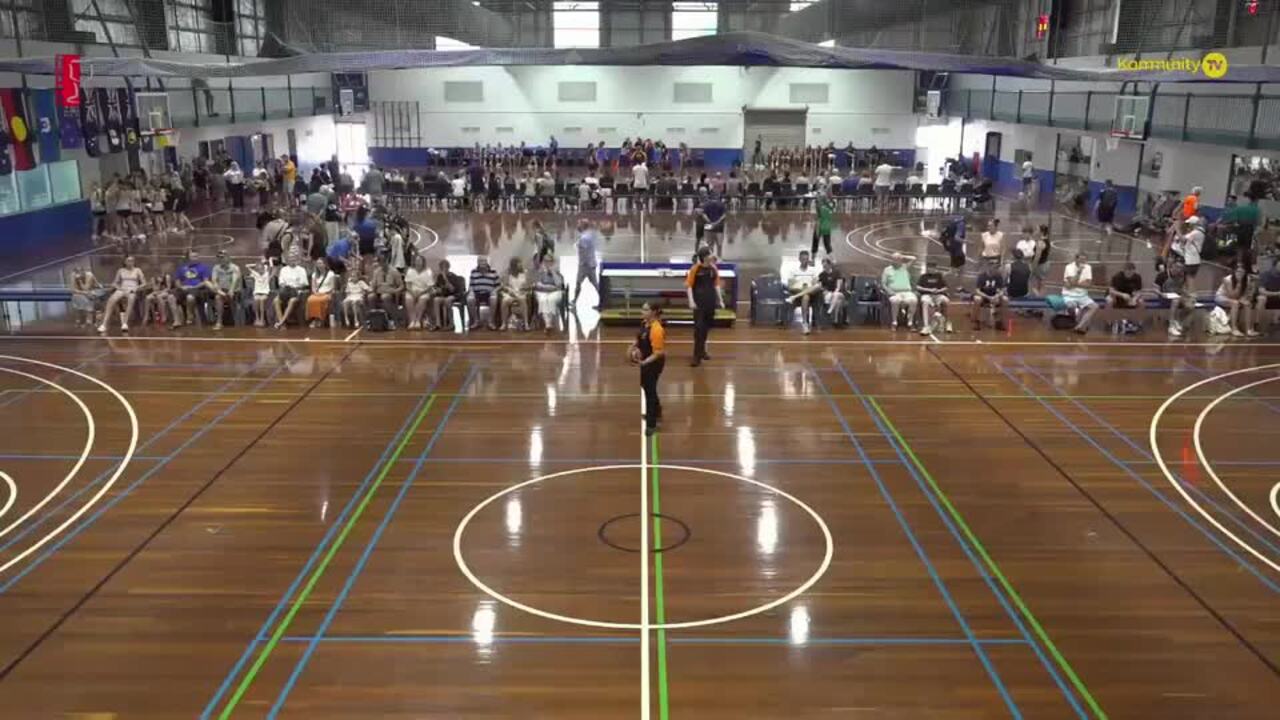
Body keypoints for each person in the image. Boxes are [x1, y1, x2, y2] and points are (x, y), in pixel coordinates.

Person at [629, 301, 667, 437]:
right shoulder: (644, 323)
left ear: (653, 312)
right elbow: (639, 339)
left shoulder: (657, 329)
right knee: (646, 386)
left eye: (645, 310)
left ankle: (651, 424)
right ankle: (657, 411)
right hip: (646, 361)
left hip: (654, 362)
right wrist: (633, 347)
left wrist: (644, 362)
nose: (642, 312)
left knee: (649, 391)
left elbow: (658, 353)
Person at [685, 247, 722, 366]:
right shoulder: (695, 269)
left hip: (710, 303)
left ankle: (702, 351)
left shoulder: (713, 269)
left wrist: (720, 300)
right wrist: (691, 301)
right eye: (710, 254)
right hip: (699, 304)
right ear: (705, 256)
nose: (712, 255)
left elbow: (716, 285)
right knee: (699, 329)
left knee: (706, 329)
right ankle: (696, 356)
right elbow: (689, 286)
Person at [98, 256, 146, 334]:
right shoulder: (121, 270)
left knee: (131, 299)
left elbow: (144, 283)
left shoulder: (138, 270)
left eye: (132, 260)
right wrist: (119, 288)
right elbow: (115, 283)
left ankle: (125, 323)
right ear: (125, 262)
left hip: (132, 289)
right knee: (111, 300)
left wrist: (135, 288)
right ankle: (104, 324)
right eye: (128, 260)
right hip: (122, 289)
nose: (131, 262)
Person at [785, 250, 822, 335]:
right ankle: (805, 323)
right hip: (798, 293)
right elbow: (790, 286)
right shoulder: (793, 271)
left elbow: (815, 284)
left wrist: (809, 288)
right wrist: (801, 290)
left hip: (813, 295)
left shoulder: (813, 270)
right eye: (803, 259)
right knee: (805, 296)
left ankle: (793, 298)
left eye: (806, 259)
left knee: (818, 286)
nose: (805, 261)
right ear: (799, 259)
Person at [1061, 252, 1099, 334]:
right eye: (1081, 259)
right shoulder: (1069, 267)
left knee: (1094, 306)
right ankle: (1074, 319)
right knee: (1071, 306)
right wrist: (1079, 272)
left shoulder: (1088, 267)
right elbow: (1070, 284)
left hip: (1082, 295)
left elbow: (1088, 284)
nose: (1083, 262)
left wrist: (1074, 284)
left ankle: (1079, 326)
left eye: (1084, 260)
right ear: (1076, 259)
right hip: (1069, 294)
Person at [880, 253, 919, 331]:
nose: (897, 260)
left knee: (913, 300)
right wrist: (889, 291)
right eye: (895, 259)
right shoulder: (887, 270)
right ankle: (894, 322)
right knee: (895, 301)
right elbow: (883, 284)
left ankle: (910, 322)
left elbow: (914, 258)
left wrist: (903, 256)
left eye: (898, 259)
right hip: (894, 293)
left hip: (907, 292)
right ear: (892, 260)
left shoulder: (905, 267)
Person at [175, 251, 214, 326]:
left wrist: (194, 287)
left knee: (190, 297)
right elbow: (177, 281)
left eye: (197, 256)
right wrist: (181, 287)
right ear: (188, 258)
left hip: (198, 289)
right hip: (184, 288)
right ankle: (176, 320)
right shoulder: (182, 268)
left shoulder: (203, 267)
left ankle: (190, 315)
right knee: (171, 297)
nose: (196, 258)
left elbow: (205, 282)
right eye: (193, 256)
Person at [1161, 260, 1197, 338]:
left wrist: (1189, 296)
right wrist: (1161, 294)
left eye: (1180, 268)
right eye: (1177, 267)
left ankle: (1177, 321)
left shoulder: (1182, 276)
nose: (1179, 269)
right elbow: (1155, 289)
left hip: (1177, 297)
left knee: (1190, 305)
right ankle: (1171, 326)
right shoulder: (1163, 275)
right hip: (1164, 297)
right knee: (1176, 299)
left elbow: (1181, 289)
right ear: (1172, 267)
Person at [273, 255, 310, 329]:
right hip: (285, 291)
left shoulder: (301, 270)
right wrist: (286, 286)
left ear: (296, 260)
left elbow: (305, 284)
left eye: (294, 259)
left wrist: (295, 287)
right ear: (287, 260)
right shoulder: (283, 269)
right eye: (290, 259)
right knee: (276, 300)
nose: (292, 261)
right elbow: (281, 283)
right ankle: (282, 323)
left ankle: (281, 322)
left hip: (296, 291)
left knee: (292, 301)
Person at [916, 259, 951, 335]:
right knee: (925, 302)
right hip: (927, 295)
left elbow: (946, 287)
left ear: (935, 268)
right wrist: (929, 290)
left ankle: (948, 322)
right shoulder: (923, 277)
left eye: (932, 267)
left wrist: (938, 290)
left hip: (938, 294)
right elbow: (918, 287)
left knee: (946, 301)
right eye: (929, 267)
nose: (930, 269)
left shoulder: (939, 276)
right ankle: (926, 326)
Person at [210, 251, 243, 331]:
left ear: (228, 258)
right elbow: (214, 280)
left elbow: (235, 280)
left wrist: (231, 290)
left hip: (234, 290)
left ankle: (221, 321)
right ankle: (219, 322)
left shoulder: (235, 268)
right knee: (217, 295)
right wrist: (218, 289)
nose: (221, 259)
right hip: (221, 290)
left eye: (223, 257)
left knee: (219, 297)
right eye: (220, 258)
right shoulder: (216, 268)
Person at [532, 254, 565, 332]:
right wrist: (548, 287)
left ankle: (548, 322)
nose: (547, 263)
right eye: (545, 261)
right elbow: (537, 284)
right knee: (543, 300)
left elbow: (559, 284)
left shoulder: (557, 271)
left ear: (552, 262)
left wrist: (553, 272)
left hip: (555, 291)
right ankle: (548, 323)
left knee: (551, 300)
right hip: (542, 291)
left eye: (549, 261)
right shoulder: (540, 271)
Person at [972, 258, 1007, 331]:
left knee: (1005, 299)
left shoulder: (998, 276)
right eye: (993, 266)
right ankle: (976, 321)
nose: (995, 268)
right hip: (984, 296)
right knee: (977, 299)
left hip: (994, 296)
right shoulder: (982, 276)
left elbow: (1002, 290)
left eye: (996, 267)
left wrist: (996, 296)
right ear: (988, 266)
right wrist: (987, 297)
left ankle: (1000, 322)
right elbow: (977, 290)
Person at [467, 256, 501, 330]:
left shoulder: (493, 271)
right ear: (477, 262)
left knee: (494, 298)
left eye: (484, 261)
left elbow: (499, 286)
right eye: (480, 261)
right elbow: (471, 285)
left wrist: (494, 291)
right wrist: (471, 292)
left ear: (487, 262)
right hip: (477, 293)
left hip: (489, 293)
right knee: (470, 299)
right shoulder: (473, 271)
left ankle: (490, 321)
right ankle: (476, 321)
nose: (482, 263)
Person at [573, 219, 601, 307]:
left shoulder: (584, 238)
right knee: (595, 284)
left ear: (582, 226)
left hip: (585, 265)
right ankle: (603, 301)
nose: (577, 226)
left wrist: (583, 265)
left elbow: (584, 251)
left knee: (578, 283)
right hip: (591, 264)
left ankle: (574, 302)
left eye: (579, 224)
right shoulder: (588, 235)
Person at [1215, 265, 1249, 337]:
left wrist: (1244, 299)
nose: (1240, 274)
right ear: (1234, 272)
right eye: (1238, 271)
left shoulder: (1247, 280)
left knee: (1248, 304)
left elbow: (1245, 294)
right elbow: (1231, 295)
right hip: (1221, 297)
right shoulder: (1227, 279)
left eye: (1242, 272)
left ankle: (1249, 329)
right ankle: (1234, 328)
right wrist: (1239, 284)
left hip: (1236, 298)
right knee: (1235, 303)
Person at [404, 254, 434, 330]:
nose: (418, 262)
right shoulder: (410, 271)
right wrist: (412, 292)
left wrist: (421, 293)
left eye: (420, 261)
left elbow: (429, 286)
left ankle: (418, 320)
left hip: (424, 291)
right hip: (412, 291)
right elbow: (408, 284)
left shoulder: (428, 271)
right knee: (408, 299)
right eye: (417, 260)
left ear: (423, 262)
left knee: (422, 299)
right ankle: (412, 320)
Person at [1250, 260, 1280, 337]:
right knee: (1261, 299)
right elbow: (1261, 291)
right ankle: (1260, 327)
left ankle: (1275, 321)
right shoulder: (1265, 275)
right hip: (1267, 297)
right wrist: (1277, 293)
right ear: (1275, 265)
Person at [500, 257, 530, 331]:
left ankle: (526, 323)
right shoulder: (507, 273)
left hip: (521, 292)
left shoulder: (525, 273)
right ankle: (504, 323)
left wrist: (525, 288)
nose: (521, 265)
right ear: (514, 265)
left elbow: (529, 285)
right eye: (519, 263)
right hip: (510, 293)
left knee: (522, 299)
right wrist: (509, 290)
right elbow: (503, 285)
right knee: (505, 301)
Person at [306, 259, 337, 328]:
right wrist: (315, 293)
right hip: (317, 293)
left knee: (321, 300)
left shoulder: (331, 274)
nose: (319, 265)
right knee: (310, 299)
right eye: (318, 264)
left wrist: (326, 293)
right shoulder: (314, 275)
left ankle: (320, 319)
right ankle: (314, 319)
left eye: (320, 263)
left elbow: (332, 287)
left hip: (327, 293)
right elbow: (313, 287)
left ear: (325, 264)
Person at [817, 256, 847, 324]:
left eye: (826, 266)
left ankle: (829, 311)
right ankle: (835, 320)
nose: (824, 267)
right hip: (829, 293)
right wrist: (825, 291)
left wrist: (836, 290)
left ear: (829, 265)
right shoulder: (821, 275)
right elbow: (821, 286)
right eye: (823, 266)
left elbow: (839, 285)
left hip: (839, 293)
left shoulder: (837, 272)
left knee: (836, 295)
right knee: (837, 302)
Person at [246, 260, 273, 327]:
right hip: (257, 292)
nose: (260, 271)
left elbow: (271, 266)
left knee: (261, 300)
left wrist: (265, 263)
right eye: (258, 269)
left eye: (261, 269)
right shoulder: (255, 274)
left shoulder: (267, 273)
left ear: (264, 268)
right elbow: (247, 266)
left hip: (265, 292)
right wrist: (256, 264)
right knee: (256, 300)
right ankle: (257, 318)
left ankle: (262, 319)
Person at [812, 191, 834, 256]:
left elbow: (819, 217)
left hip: (821, 224)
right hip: (825, 225)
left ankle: (813, 258)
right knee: (826, 242)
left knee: (817, 241)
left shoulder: (819, 206)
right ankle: (832, 258)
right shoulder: (829, 206)